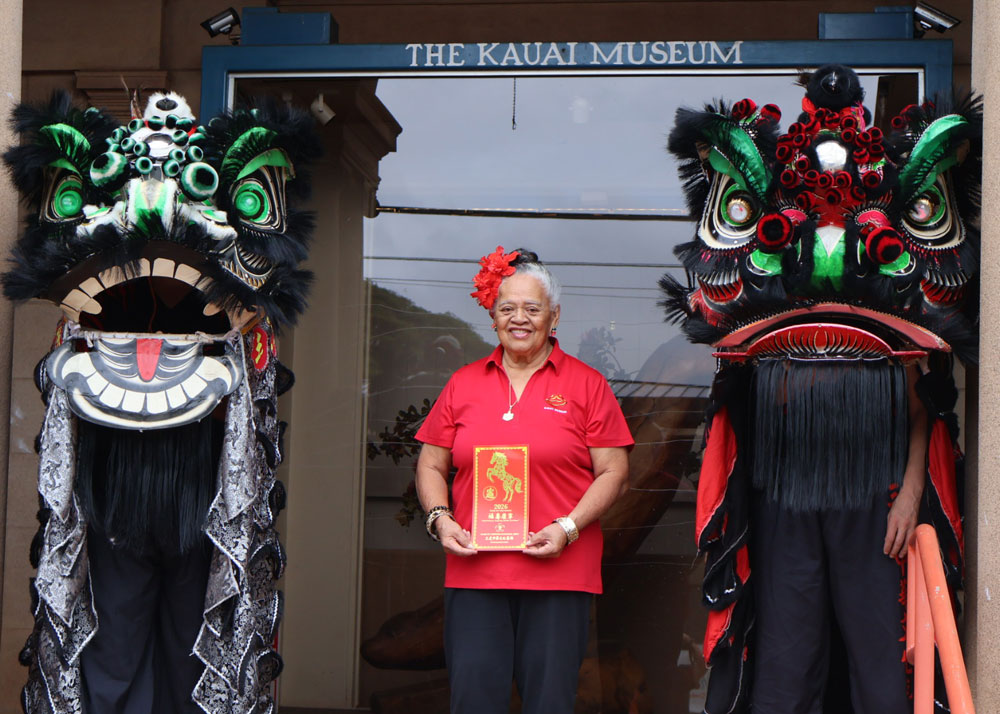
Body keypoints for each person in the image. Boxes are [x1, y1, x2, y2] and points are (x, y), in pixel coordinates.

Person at [415, 246, 633, 714]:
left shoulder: (587, 385)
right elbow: (431, 464)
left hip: (560, 574)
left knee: (550, 702)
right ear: (492, 317)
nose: (519, 318)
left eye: (532, 309)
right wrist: (440, 519)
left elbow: (614, 471)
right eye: (507, 308)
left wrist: (568, 528)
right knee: (473, 699)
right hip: (476, 573)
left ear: (554, 316)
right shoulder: (463, 383)